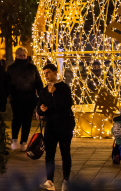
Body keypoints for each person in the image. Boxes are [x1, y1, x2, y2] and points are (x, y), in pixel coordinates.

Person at [37, 62, 75, 191]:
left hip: (64, 124)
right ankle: (50, 181)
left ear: (54, 72)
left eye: (48, 72)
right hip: (51, 126)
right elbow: (39, 108)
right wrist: (41, 109)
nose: (46, 75)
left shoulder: (63, 87)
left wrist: (54, 94)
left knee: (65, 153)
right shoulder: (43, 90)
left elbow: (67, 105)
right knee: (49, 154)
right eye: (44, 73)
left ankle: (66, 181)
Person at [6, 46, 43, 151]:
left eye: (24, 55)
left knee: (27, 120)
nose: (22, 57)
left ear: (26, 56)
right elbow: (7, 82)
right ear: (16, 56)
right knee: (17, 119)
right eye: (20, 55)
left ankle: (24, 141)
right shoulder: (11, 68)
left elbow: (38, 83)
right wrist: (8, 94)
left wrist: (41, 96)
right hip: (16, 98)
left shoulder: (32, 68)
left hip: (29, 98)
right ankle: (14, 139)